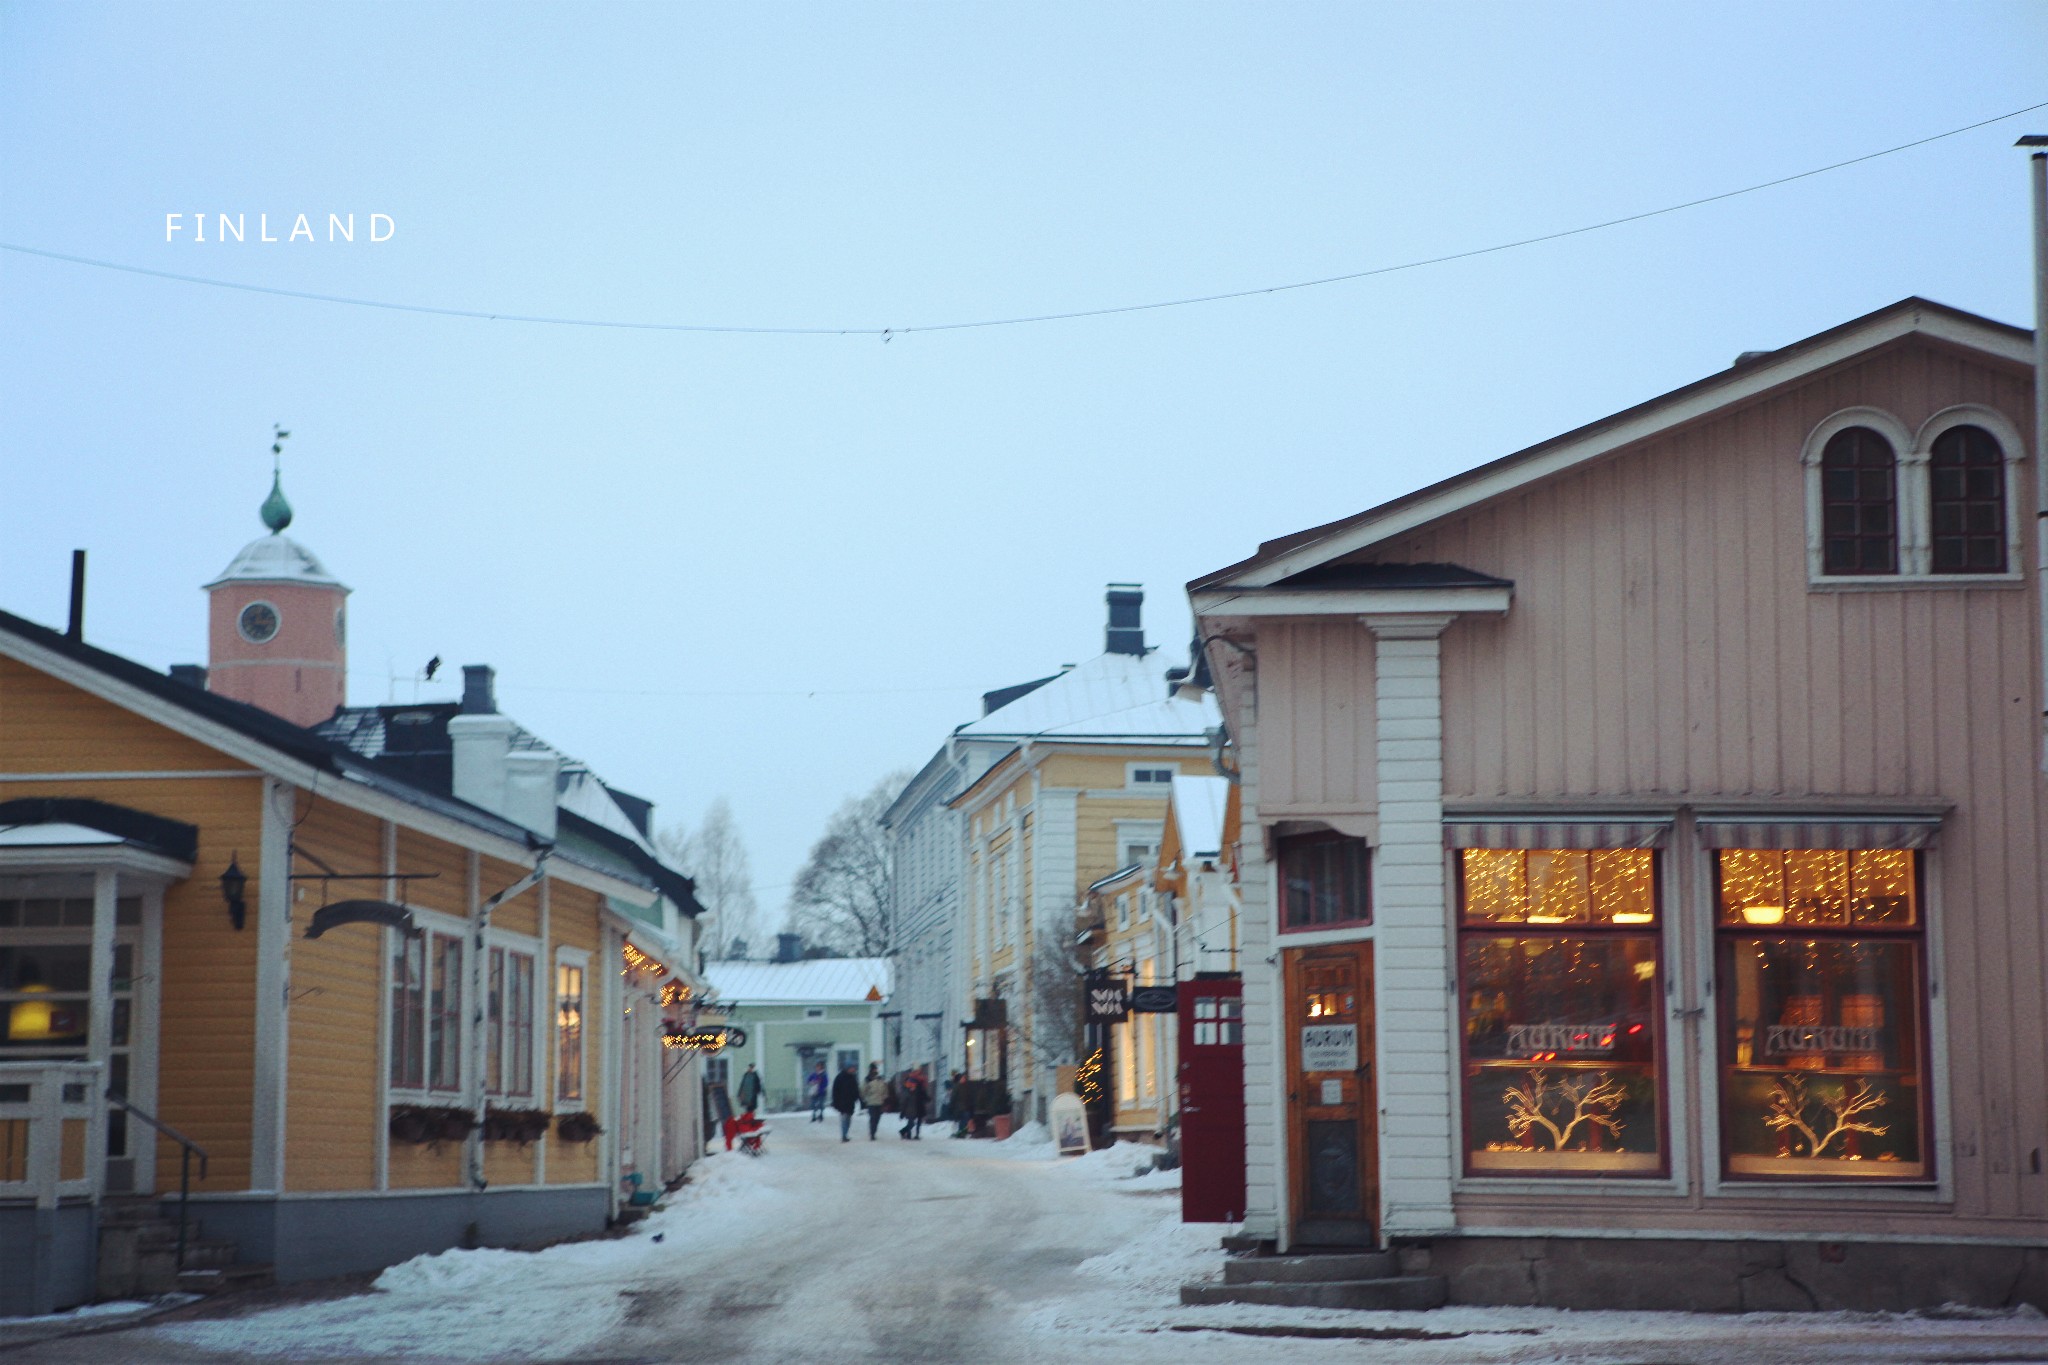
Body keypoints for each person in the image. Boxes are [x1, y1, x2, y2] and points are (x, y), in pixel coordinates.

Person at [830, 1063, 861, 1142]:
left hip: (850, 1102)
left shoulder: (853, 1077)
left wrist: (857, 1098)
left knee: (849, 1119)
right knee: (844, 1118)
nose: (853, 1069)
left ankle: (845, 1133)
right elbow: (835, 1091)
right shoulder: (840, 1077)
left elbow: (856, 1089)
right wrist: (835, 1102)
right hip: (842, 1102)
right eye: (852, 1068)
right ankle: (844, 1135)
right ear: (848, 1068)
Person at [861, 1063, 890, 1141]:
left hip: (880, 1102)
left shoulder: (880, 1079)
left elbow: (885, 1089)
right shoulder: (867, 1079)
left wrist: (884, 1097)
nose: (875, 1070)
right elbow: (863, 1090)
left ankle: (874, 1131)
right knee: (873, 1118)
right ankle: (872, 1133)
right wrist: (865, 1099)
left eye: (876, 1069)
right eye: (874, 1069)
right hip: (871, 1102)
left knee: (877, 1118)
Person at [898, 1069, 930, 1140]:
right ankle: (911, 1134)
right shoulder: (916, 1084)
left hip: (917, 1107)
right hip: (916, 1107)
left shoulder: (917, 1085)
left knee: (913, 1122)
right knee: (913, 1122)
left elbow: (923, 1095)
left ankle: (909, 1134)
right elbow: (923, 1095)